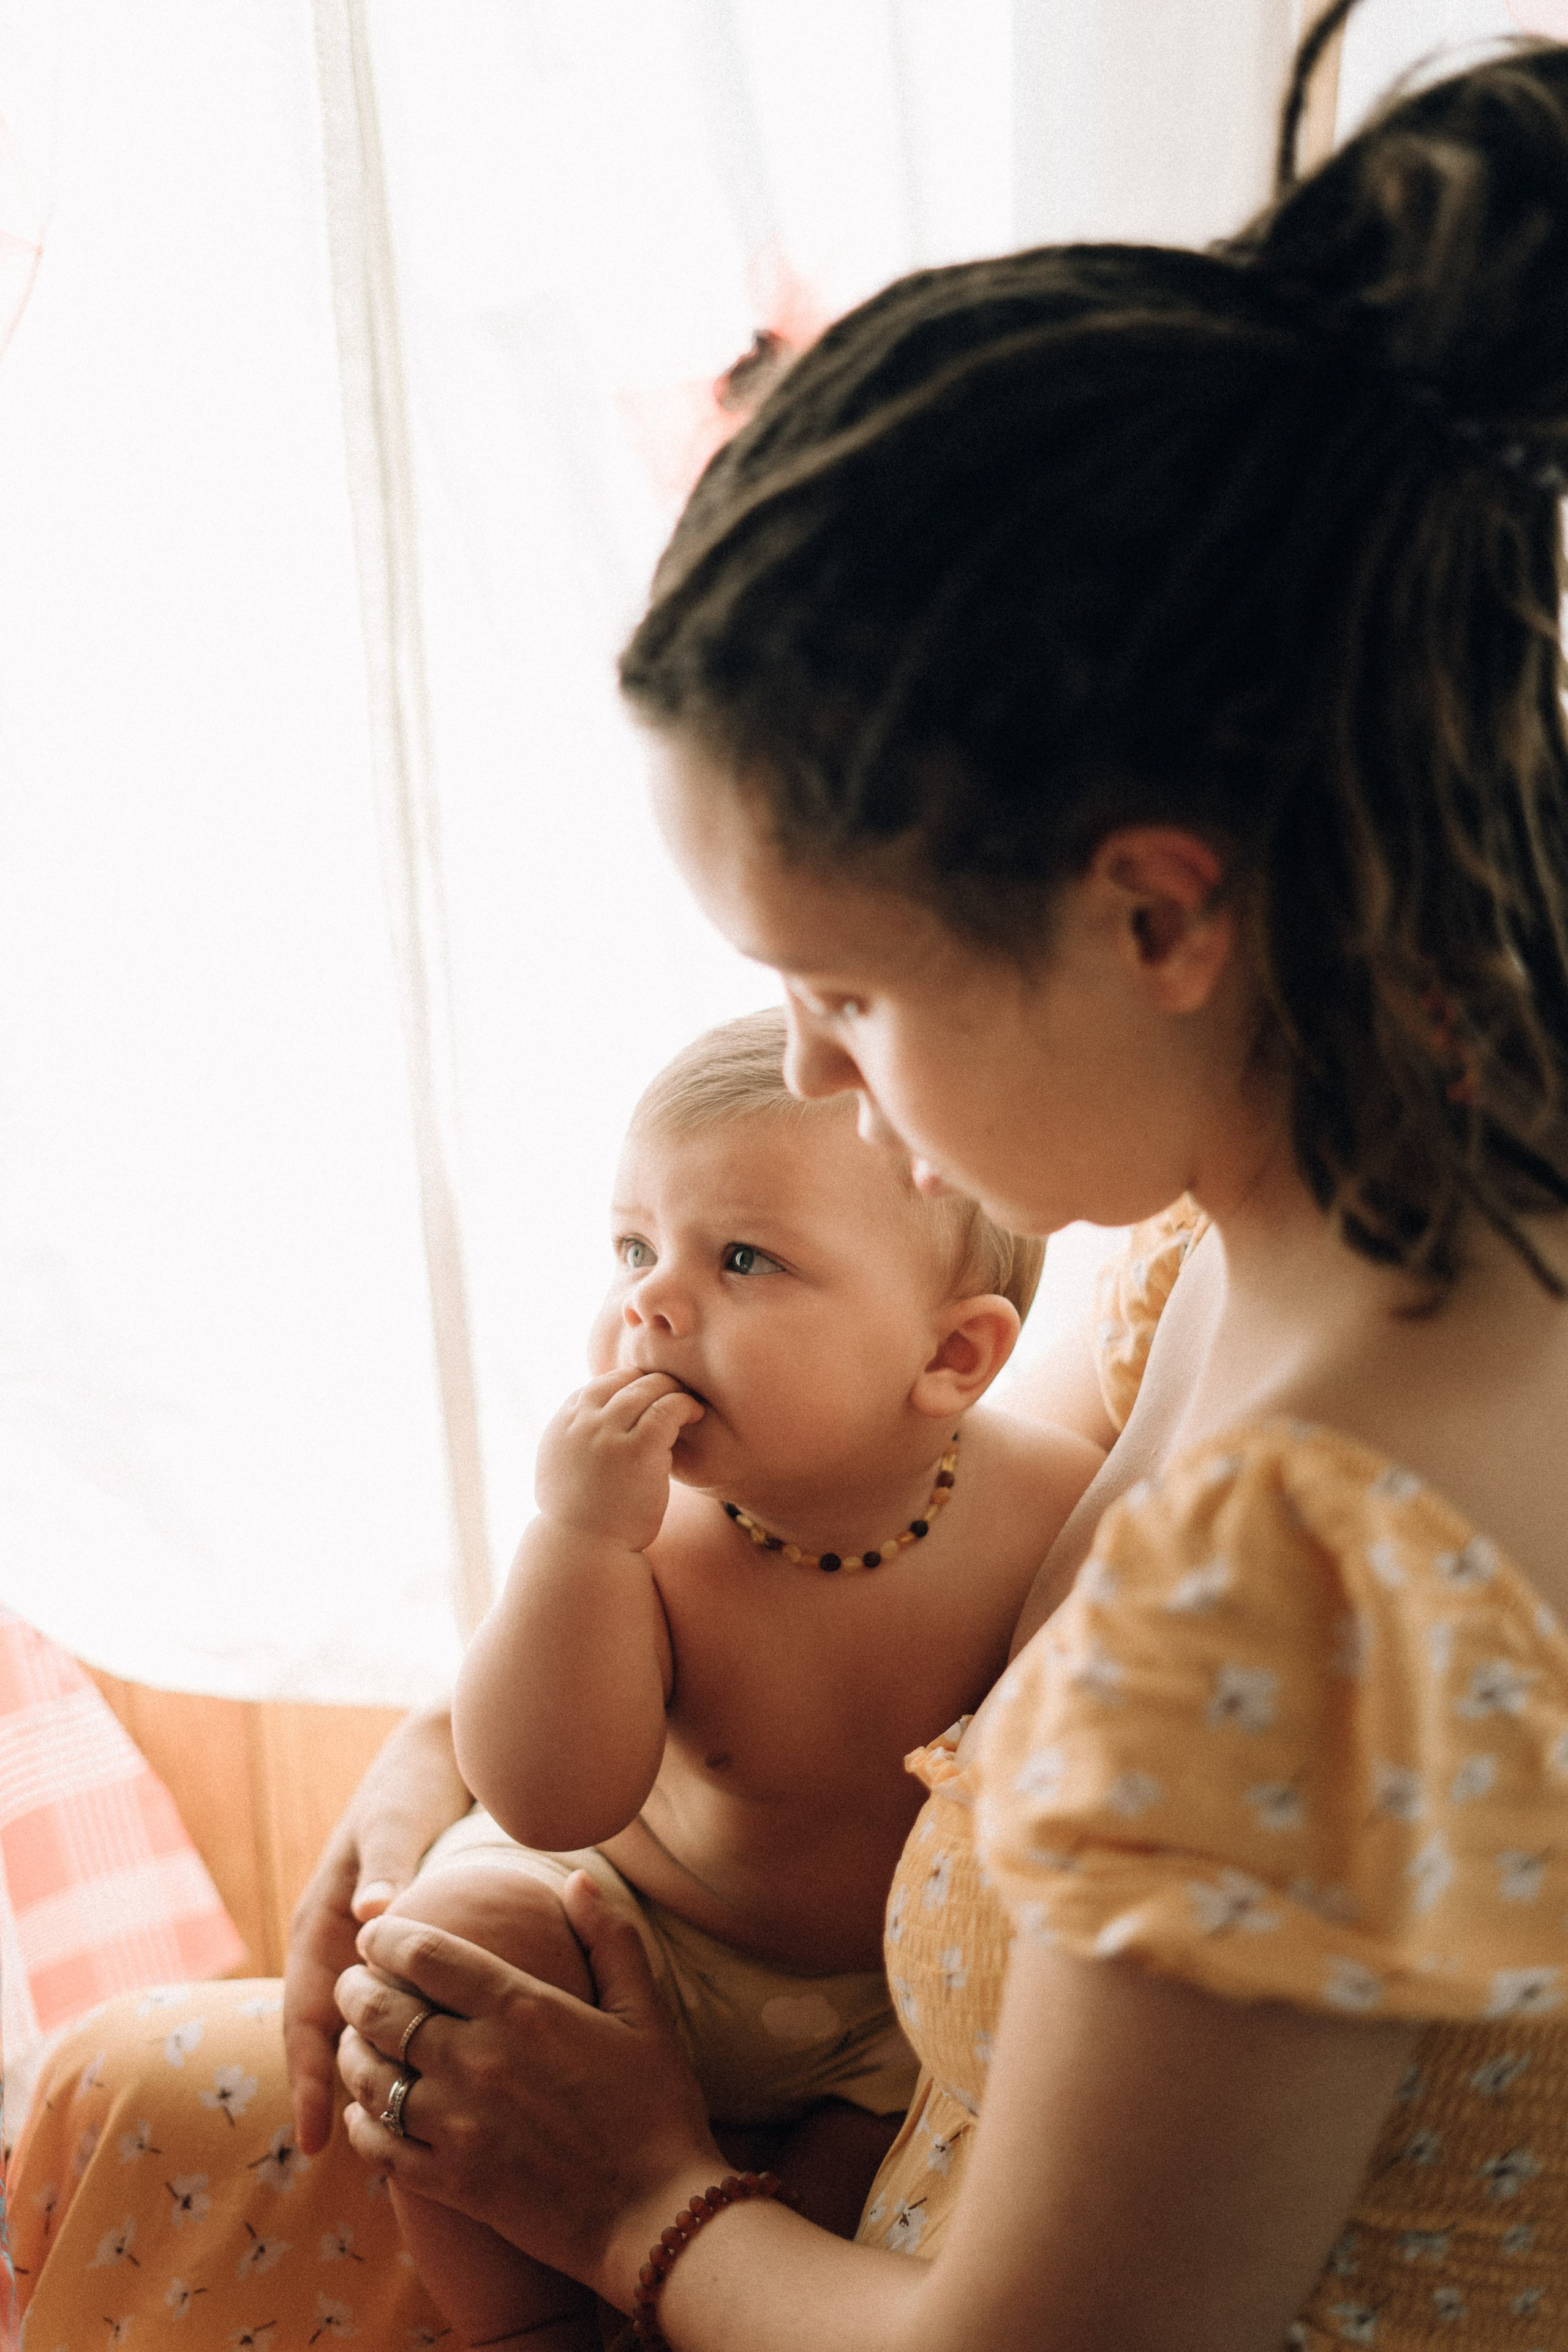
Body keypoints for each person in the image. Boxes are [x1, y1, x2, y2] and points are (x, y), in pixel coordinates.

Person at [13, 9, 1568, 2348]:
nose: (824, 1076)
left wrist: (637, 2200)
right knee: (133, 2091)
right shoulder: (1252, 1223)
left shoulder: (1309, 1580)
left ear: (1159, 917)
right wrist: (450, 1749)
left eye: (849, 990)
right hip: (841, 2192)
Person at [379, 1009, 1099, 2347]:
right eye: (633, 1248)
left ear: (951, 1357)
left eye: (744, 1258)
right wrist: (578, 1542)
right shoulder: (640, 1533)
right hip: (631, 1925)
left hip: (887, 2012)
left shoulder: (1055, 1517)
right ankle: (525, 2331)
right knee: (453, 1949)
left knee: (855, 2205)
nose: (647, 1302)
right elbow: (546, 1798)